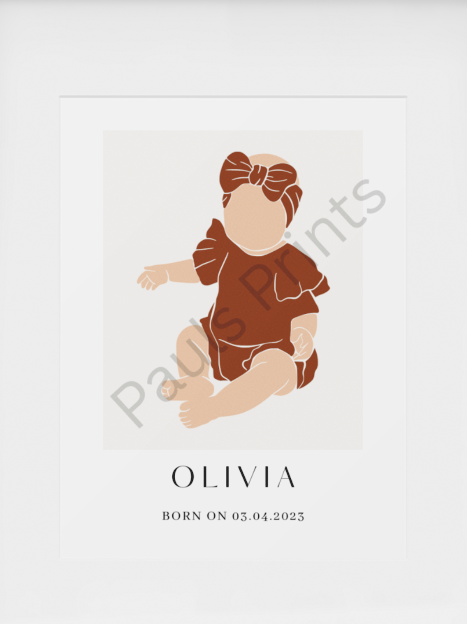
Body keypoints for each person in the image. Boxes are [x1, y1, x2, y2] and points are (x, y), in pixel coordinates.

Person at [136, 152, 330, 428]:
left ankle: (217, 407)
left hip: (272, 347)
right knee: (190, 337)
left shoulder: (290, 263)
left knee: (275, 369)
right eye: (239, 213)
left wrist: (303, 333)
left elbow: (306, 307)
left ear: (286, 219)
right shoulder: (225, 249)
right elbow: (197, 270)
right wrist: (167, 272)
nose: (247, 224)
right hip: (221, 343)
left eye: (262, 216)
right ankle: (196, 383)